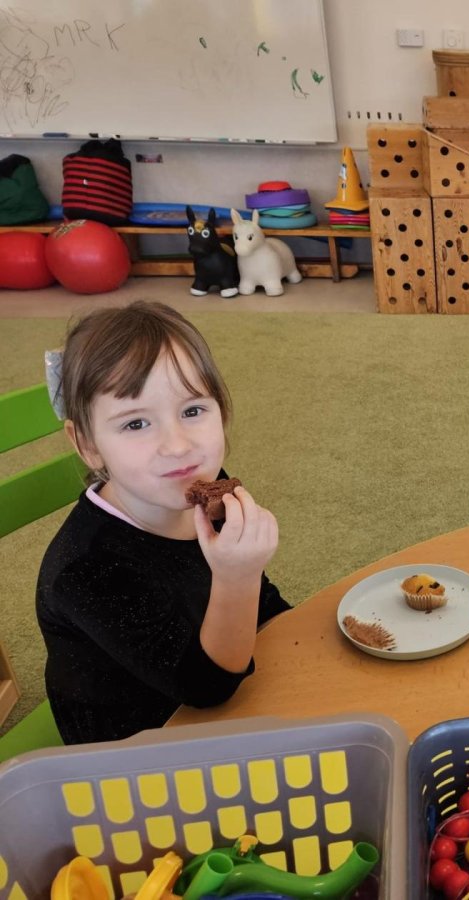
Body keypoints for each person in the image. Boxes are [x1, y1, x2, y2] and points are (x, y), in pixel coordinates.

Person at [37, 301, 289, 744]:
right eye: (135, 423)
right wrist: (238, 577)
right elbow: (206, 688)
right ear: (88, 444)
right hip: (136, 749)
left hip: (219, 694)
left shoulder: (205, 488)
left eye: (192, 411)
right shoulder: (86, 569)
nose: (178, 446)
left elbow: (265, 609)